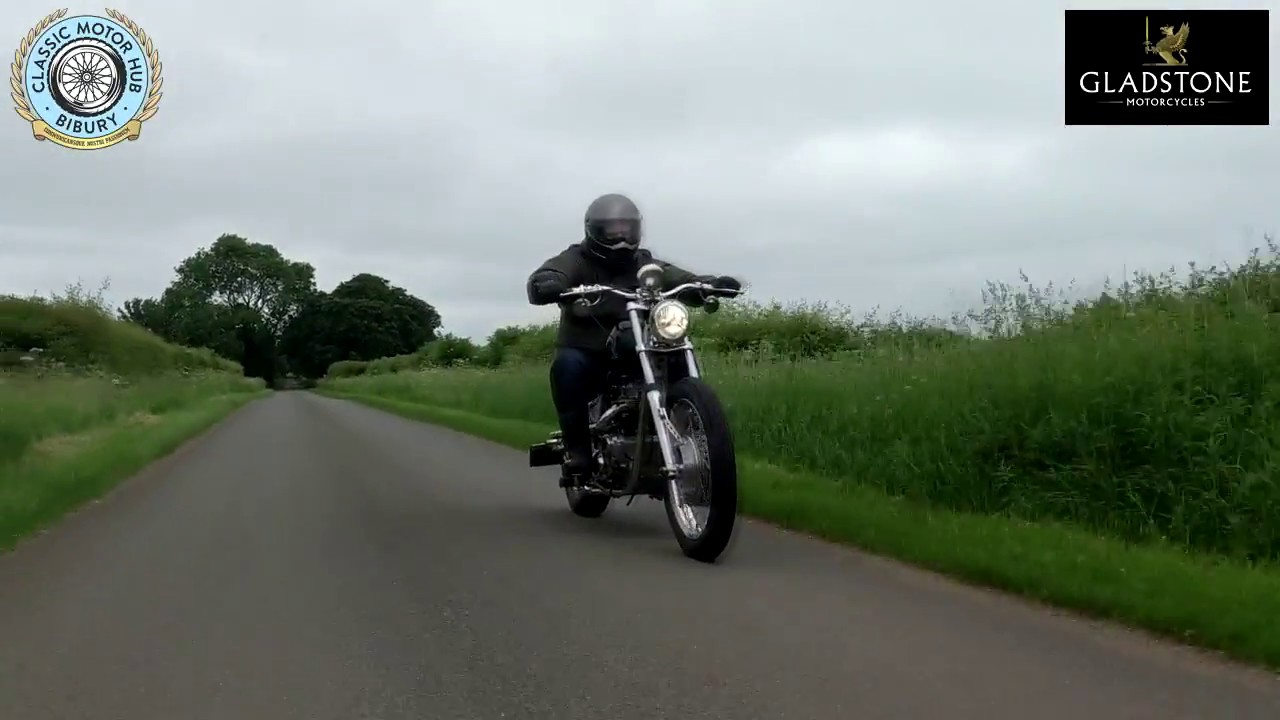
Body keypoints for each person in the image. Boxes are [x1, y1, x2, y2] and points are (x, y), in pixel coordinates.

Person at [525, 193, 741, 479]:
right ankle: (579, 451)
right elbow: (553, 271)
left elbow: (675, 277)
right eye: (613, 232)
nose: (622, 239)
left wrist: (707, 285)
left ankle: (691, 432)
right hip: (590, 352)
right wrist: (548, 283)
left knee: (675, 354)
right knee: (567, 368)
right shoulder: (576, 259)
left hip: (637, 347)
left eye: (627, 231)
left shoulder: (643, 263)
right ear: (594, 231)